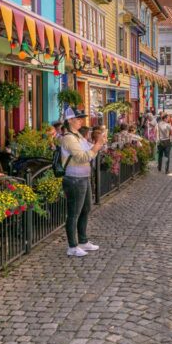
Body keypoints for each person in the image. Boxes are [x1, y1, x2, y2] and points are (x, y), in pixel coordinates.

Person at [57, 108, 105, 257]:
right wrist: (97, 146)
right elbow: (82, 157)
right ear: (70, 120)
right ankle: (72, 246)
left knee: (85, 210)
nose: (81, 121)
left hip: (83, 177)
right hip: (74, 179)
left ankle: (83, 241)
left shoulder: (78, 136)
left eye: (81, 118)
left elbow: (89, 150)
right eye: (78, 119)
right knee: (74, 213)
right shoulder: (68, 138)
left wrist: (99, 143)